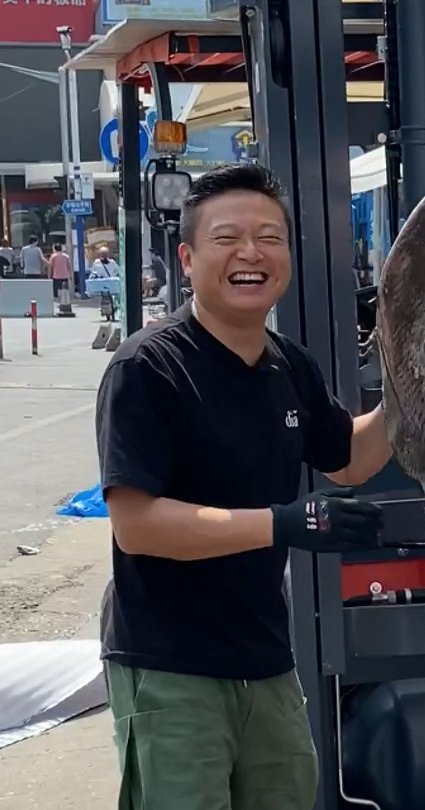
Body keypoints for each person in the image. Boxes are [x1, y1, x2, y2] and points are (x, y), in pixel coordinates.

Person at [95, 163, 394, 810]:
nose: (251, 254)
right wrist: (285, 524)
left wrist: (415, 388)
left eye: (270, 237)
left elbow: (347, 458)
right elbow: (137, 524)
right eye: (228, 238)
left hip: (265, 660)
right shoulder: (147, 368)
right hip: (170, 664)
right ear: (188, 256)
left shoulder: (289, 364)